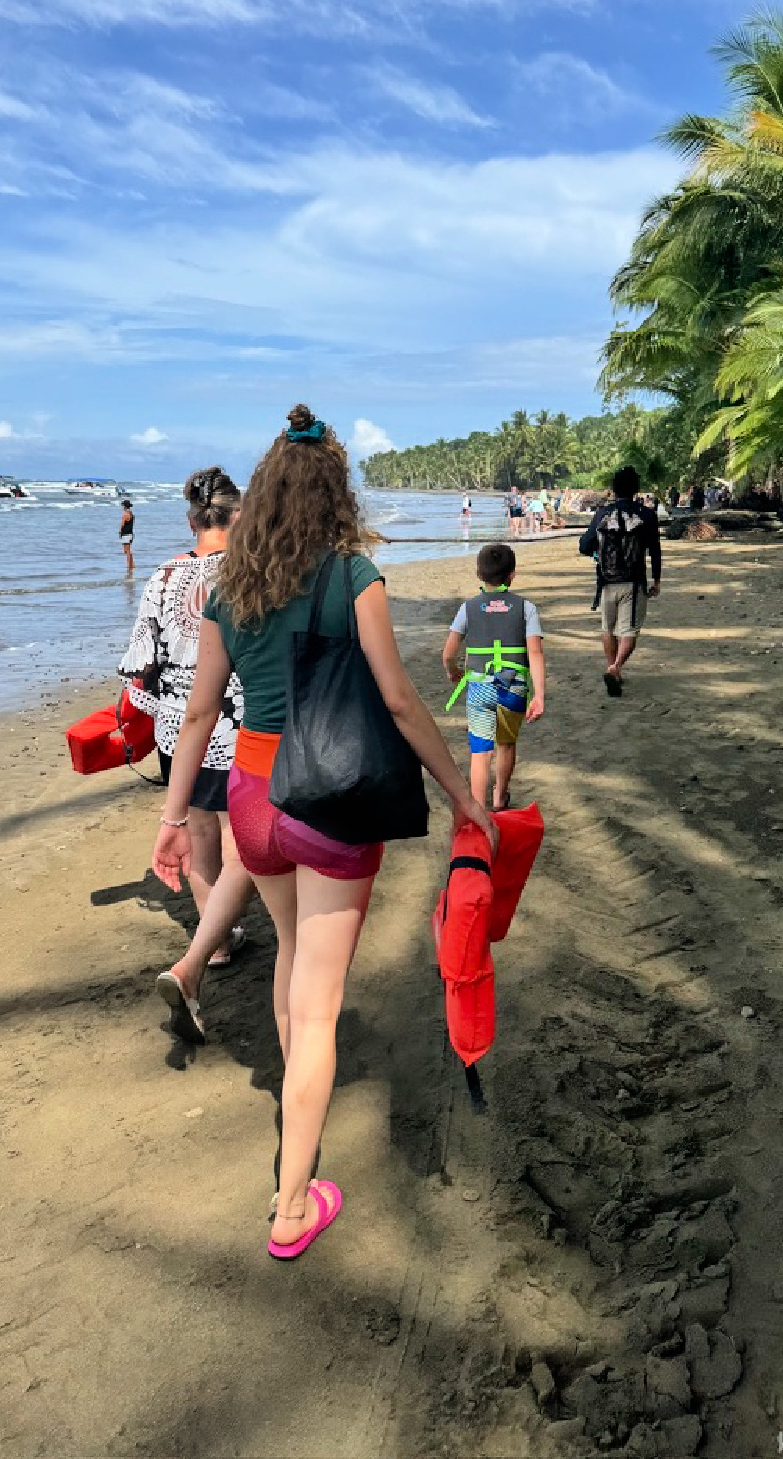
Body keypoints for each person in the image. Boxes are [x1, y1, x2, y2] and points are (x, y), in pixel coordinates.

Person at [151, 404, 496, 1261]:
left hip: (254, 803)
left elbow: (197, 715)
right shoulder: (355, 577)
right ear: (335, 492)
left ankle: (295, 1128)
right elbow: (398, 700)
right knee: (320, 1007)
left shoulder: (231, 587)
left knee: (295, 966)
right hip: (331, 799)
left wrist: (169, 818)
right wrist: (460, 793)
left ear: (263, 494)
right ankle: (292, 1202)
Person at [119, 469, 254, 1044]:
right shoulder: (254, 575)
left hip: (180, 725)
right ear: (238, 514)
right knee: (238, 834)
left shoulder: (163, 575)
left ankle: (216, 939)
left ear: (191, 518)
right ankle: (218, 936)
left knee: (198, 828)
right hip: (243, 719)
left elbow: (139, 660)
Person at [442, 543, 546, 810]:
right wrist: (539, 696)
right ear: (513, 573)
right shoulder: (526, 608)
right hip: (514, 687)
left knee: (480, 752)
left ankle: (478, 806)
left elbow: (448, 653)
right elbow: (534, 653)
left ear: (479, 574)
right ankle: (500, 798)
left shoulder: (468, 608)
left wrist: (454, 672)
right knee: (506, 744)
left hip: (479, 687)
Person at [578, 464, 661, 697]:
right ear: (636, 489)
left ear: (613, 489)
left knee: (608, 629)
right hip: (634, 583)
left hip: (606, 581)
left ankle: (612, 667)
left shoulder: (602, 514)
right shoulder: (646, 515)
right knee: (629, 630)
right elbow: (654, 549)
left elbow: (584, 545)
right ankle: (615, 667)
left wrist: (598, 552)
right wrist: (656, 579)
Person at [119, 498, 135, 572]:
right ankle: (131, 564)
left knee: (126, 551)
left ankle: (129, 565)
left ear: (125, 506)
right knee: (129, 550)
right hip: (130, 533)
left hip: (125, 534)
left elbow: (122, 525)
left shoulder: (125, 515)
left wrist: (120, 533)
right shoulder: (131, 514)